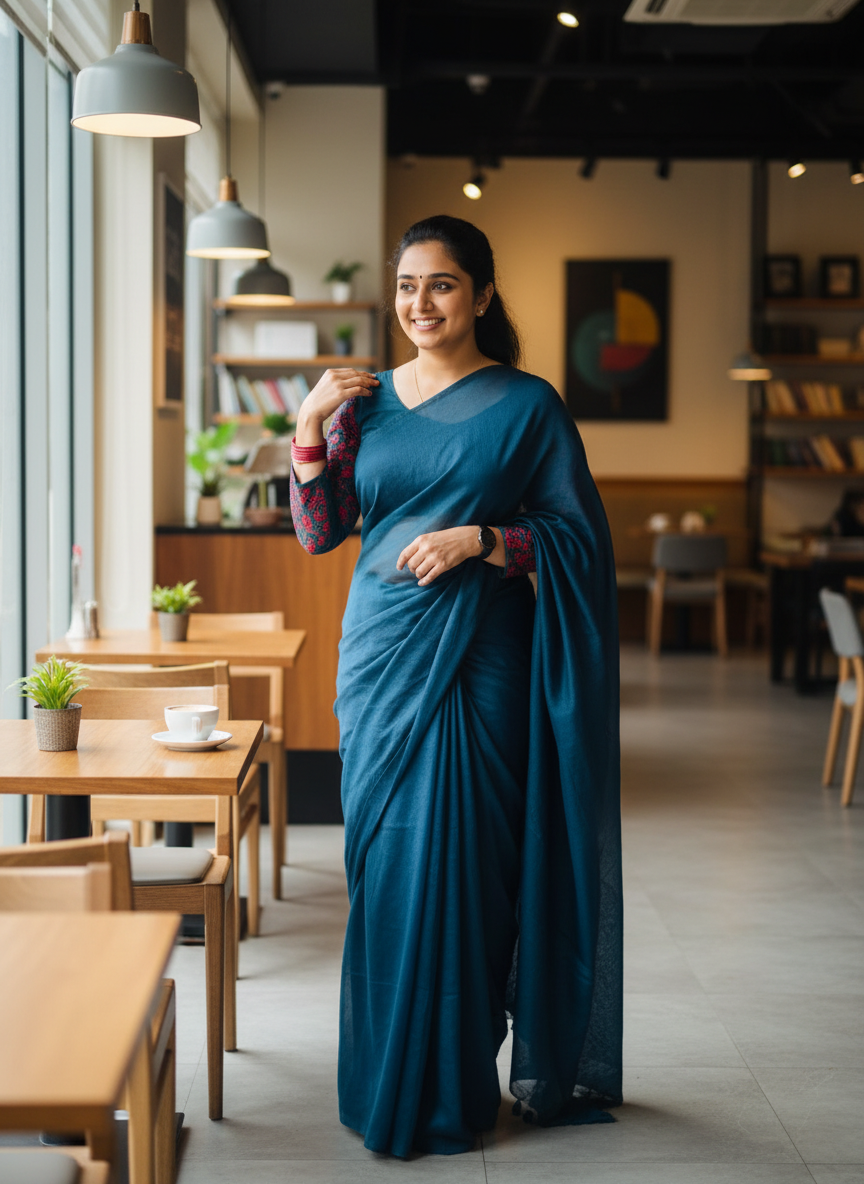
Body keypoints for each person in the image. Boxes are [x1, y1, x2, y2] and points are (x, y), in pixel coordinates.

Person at [290, 215, 622, 1157]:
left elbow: (581, 543)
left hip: (484, 666)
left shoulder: (528, 406)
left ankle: (452, 1083)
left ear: (479, 293)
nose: (419, 304)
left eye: (440, 285)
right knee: (389, 868)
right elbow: (323, 531)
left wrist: (485, 540)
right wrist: (309, 426)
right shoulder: (363, 402)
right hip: (382, 660)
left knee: (472, 872)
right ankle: (387, 1078)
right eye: (406, 286)